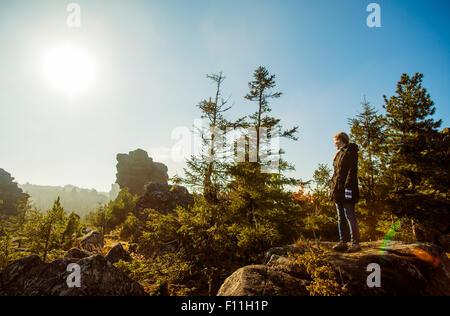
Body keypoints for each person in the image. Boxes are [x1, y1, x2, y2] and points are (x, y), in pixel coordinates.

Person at [329, 132, 362, 253]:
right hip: (337, 190)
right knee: (340, 217)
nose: (334, 144)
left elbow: (352, 171)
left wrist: (348, 187)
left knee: (350, 215)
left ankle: (355, 243)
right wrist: (331, 186)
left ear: (341, 140)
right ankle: (343, 242)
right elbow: (336, 173)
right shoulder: (338, 154)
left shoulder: (351, 151)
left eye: (335, 141)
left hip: (347, 189)